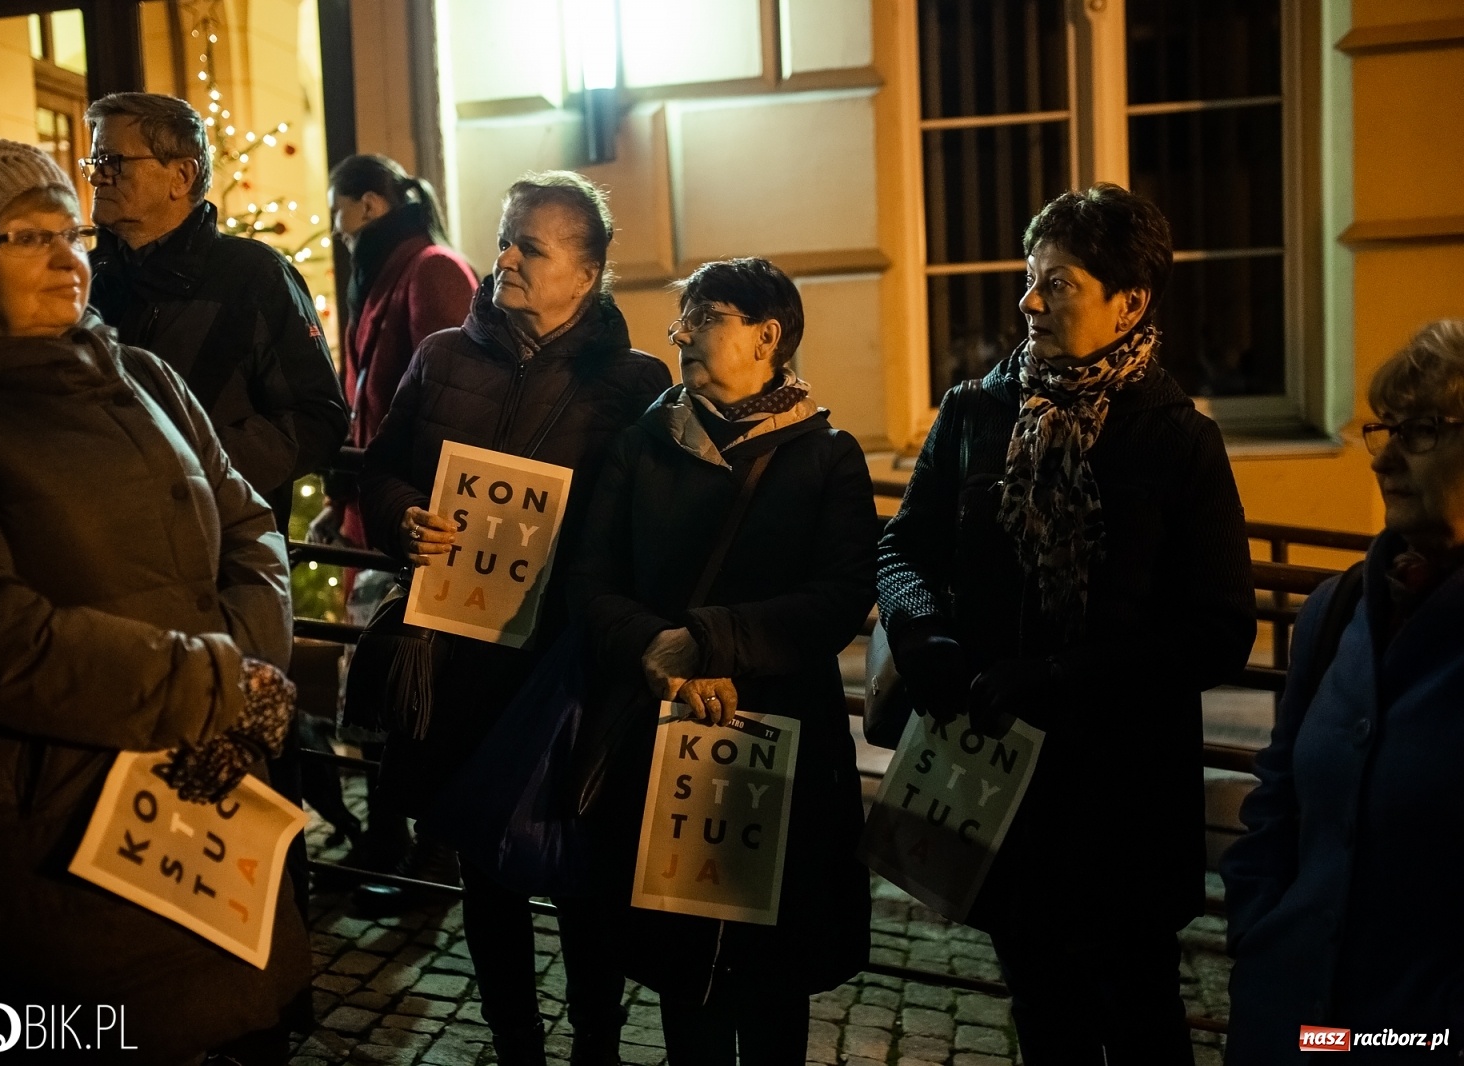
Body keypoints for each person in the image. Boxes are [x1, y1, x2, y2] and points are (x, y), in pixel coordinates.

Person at [0, 134, 308, 1064]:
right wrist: (209, 685)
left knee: (236, 1028)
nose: (69, 257)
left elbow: (250, 528)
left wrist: (243, 665)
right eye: (29, 237)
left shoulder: (141, 376)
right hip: (52, 839)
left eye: (71, 233)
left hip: (209, 800)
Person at [877, 183, 1256, 1065]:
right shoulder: (975, 413)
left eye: (1058, 284)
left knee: (1140, 1013)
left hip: (1123, 795)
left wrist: (1058, 678)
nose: (1030, 302)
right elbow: (903, 548)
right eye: (1030, 277)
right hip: (1000, 782)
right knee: (1043, 1009)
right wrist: (922, 632)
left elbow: (1218, 629)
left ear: (1131, 302)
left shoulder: (1177, 439)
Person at [358, 171, 672, 1065]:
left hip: (566, 673)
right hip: (458, 663)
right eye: (504, 238)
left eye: (528, 246)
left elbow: (655, 530)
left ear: (587, 272)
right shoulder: (441, 358)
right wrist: (402, 517)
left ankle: (596, 1045)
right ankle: (516, 1045)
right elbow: (378, 471)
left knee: (581, 877)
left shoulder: (636, 383)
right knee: (483, 875)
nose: (503, 258)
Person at [568, 257, 876, 1065]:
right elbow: (590, 583)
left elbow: (841, 597)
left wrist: (706, 638)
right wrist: (655, 647)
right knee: (685, 983)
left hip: (785, 754)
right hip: (666, 743)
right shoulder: (642, 445)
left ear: (767, 337)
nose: (681, 334)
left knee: (775, 982)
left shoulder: (828, 455)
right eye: (684, 318)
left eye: (703, 317)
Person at [1222, 321, 1464, 1062]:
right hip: (1297, 1030)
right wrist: (1258, 933)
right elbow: (1278, 797)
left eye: (1421, 431)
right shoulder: (1342, 609)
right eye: (1384, 429)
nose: (1385, 457)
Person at [84, 91, 348, 530]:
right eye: (95, 162)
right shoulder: (85, 280)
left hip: (222, 545)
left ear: (181, 176)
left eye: (114, 162)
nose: (98, 176)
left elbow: (317, 418)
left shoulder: (254, 276)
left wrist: (193, 470)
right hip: (108, 541)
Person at [307, 153, 476, 554]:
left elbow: (453, 408)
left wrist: (410, 511)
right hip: (380, 515)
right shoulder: (387, 275)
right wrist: (338, 504)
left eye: (337, 210)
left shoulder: (432, 270)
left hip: (412, 526)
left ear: (368, 204)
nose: (335, 228)